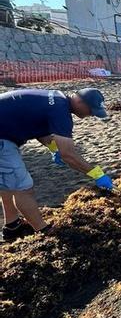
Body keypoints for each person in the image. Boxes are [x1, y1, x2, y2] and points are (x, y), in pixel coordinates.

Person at [0, 87, 112, 240]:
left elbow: (38, 126)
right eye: (91, 110)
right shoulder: (60, 110)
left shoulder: (56, 100)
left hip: (5, 135)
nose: (91, 115)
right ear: (80, 101)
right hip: (3, 139)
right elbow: (69, 155)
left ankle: (12, 227)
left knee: (8, 183)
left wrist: (53, 148)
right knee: (23, 188)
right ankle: (45, 233)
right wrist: (98, 174)